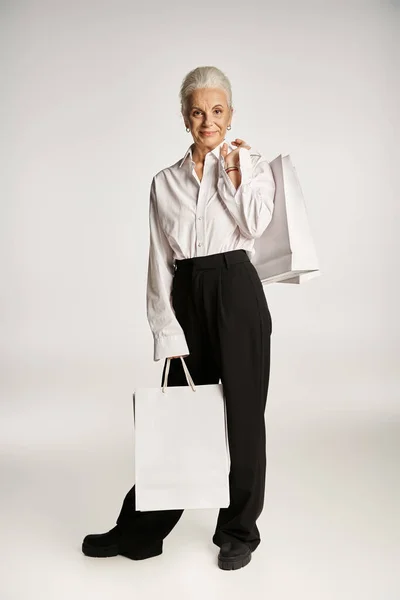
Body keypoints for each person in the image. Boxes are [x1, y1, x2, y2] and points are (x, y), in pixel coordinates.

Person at [82, 65, 275, 571]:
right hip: (187, 293)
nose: (207, 120)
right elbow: (157, 260)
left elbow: (255, 223)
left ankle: (237, 532)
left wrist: (234, 170)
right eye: (197, 111)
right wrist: (165, 329)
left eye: (217, 111)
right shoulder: (163, 182)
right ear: (184, 118)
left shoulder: (249, 167)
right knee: (180, 418)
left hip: (237, 289)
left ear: (230, 115)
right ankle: (141, 531)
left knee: (244, 421)